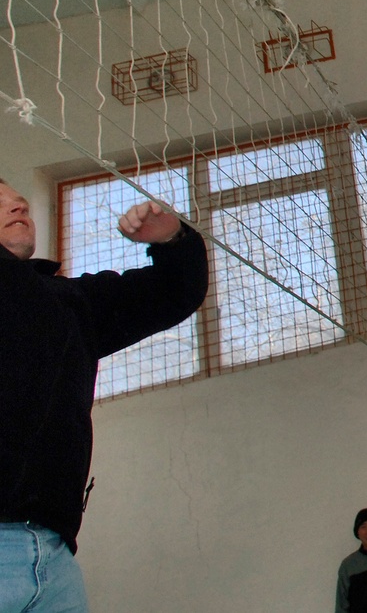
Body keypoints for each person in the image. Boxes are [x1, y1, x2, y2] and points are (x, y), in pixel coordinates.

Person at [0, 178, 208, 613]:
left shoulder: (67, 303)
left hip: (55, 559)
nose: (17, 203)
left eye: (17, 197)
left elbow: (174, 293)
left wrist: (173, 241)